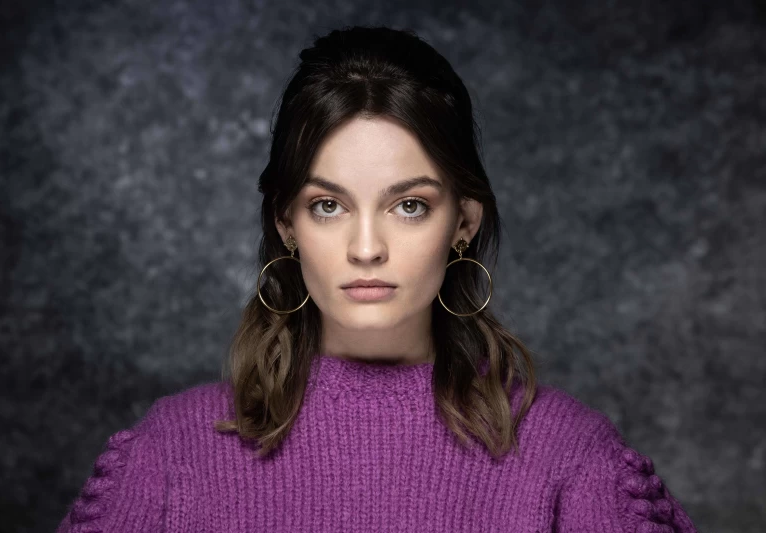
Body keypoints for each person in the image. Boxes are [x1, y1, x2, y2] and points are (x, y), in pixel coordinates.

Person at [55, 25, 697, 532]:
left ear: (463, 223)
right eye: (327, 206)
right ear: (286, 224)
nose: (367, 248)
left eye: (408, 205)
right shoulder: (168, 456)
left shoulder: (570, 460)